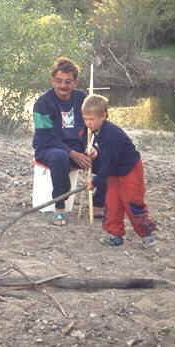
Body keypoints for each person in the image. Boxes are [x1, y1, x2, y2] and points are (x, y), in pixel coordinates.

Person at [32, 57, 105, 225]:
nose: (63, 86)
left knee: (109, 157)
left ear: (75, 83)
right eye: (58, 81)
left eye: (68, 81)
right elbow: (45, 137)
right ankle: (59, 208)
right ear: (52, 81)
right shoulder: (42, 103)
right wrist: (72, 154)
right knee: (59, 157)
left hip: (78, 149)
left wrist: (93, 146)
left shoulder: (83, 100)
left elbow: (95, 127)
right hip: (48, 148)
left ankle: (99, 203)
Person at [82, 94, 156, 248]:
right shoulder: (96, 131)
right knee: (112, 203)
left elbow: (109, 163)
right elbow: (106, 157)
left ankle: (147, 233)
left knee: (132, 202)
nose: (88, 123)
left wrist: (95, 181)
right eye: (86, 119)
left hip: (130, 170)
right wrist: (96, 152)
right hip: (114, 172)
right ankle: (115, 235)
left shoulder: (111, 134)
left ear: (104, 116)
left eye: (91, 119)